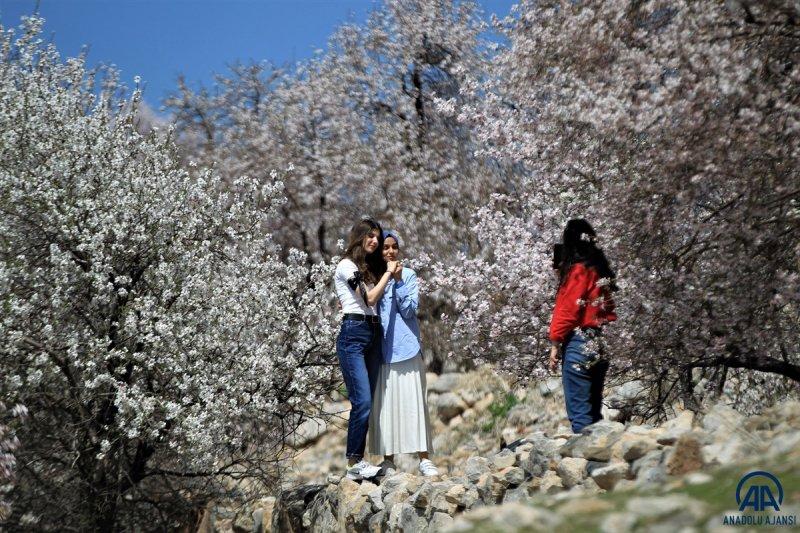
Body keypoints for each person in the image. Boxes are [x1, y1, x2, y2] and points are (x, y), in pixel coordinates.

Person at [334, 218, 400, 480]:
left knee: (370, 402)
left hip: (373, 333)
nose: (374, 240)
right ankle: (354, 463)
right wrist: (388, 273)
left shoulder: (368, 268)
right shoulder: (346, 266)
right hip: (353, 335)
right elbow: (370, 298)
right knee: (361, 401)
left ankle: (366, 460)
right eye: (370, 236)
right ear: (359, 236)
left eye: (377, 237)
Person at [368, 230, 438, 477]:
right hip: (381, 352)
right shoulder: (373, 277)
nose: (390, 251)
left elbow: (409, 310)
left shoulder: (408, 275)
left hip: (407, 349)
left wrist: (397, 281)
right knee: (386, 408)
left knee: (414, 404)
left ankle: (424, 459)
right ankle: (387, 460)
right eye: (385, 247)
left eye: (394, 247)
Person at [548, 219, 618, 433]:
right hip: (601, 341)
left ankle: (585, 453)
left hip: (580, 342)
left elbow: (568, 310)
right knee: (594, 414)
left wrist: (555, 343)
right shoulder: (600, 271)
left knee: (580, 416)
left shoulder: (578, 271)